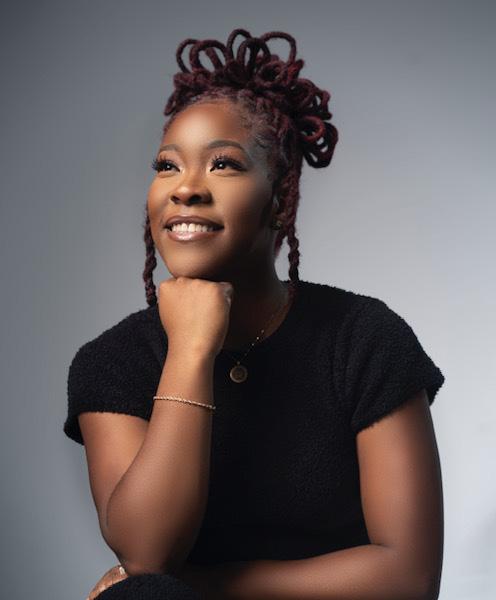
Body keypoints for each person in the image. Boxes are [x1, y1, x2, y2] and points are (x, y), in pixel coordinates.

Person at [63, 28, 446, 600]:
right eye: (167, 166)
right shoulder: (113, 362)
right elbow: (146, 557)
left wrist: (209, 585)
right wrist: (190, 350)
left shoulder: (362, 338)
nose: (186, 189)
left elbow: (408, 578)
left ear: (280, 198)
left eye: (223, 164)